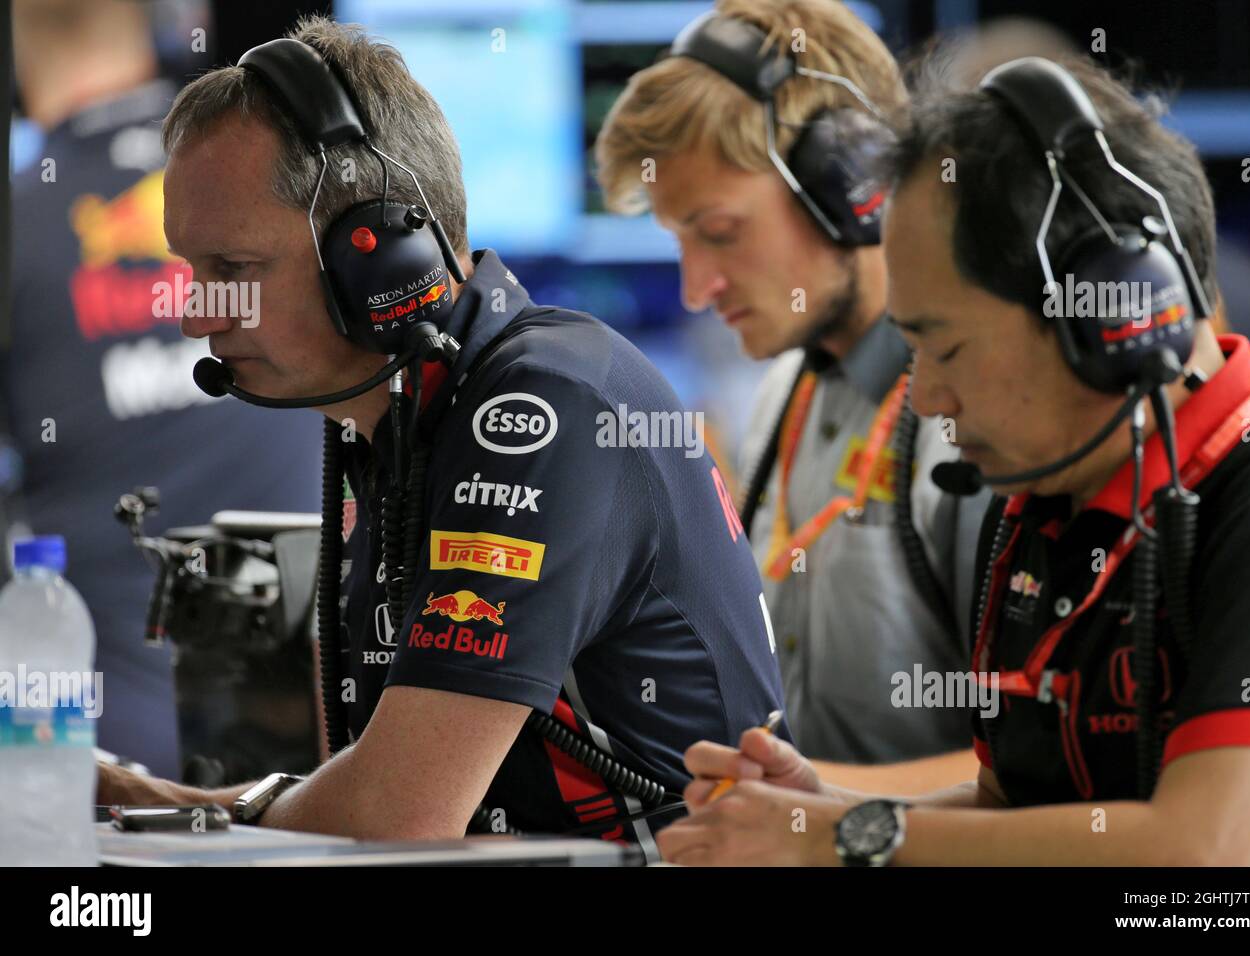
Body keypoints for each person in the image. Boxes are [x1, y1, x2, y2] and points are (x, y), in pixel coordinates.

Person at [93, 15, 787, 861]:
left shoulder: (540, 409)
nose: (201, 313)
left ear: (380, 258)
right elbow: (372, 791)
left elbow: (397, 819)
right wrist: (152, 800)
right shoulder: (401, 420)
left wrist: (172, 804)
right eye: (190, 273)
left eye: (234, 272)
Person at [656, 52, 1250, 866]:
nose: (926, 400)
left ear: (1110, 311)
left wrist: (846, 838)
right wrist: (824, 804)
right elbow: (1014, 812)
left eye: (945, 348)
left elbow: (1204, 853)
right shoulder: (1040, 498)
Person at [595, 0, 987, 792]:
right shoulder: (782, 396)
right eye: (681, 242)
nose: (696, 289)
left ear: (855, 181)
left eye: (721, 231)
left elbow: (1053, 778)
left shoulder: (981, 416)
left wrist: (813, 810)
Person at [2, 0, 323, 778]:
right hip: (340, 743)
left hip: (110, 774)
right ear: (178, 21)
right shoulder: (302, 186)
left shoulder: (24, 220)